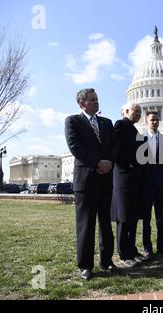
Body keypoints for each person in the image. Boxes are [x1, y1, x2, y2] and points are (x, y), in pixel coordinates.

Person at [65, 88, 117, 280]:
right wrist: (98, 162)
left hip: (105, 178)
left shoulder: (107, 122)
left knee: (105, 223)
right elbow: (75, 147)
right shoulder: (73, 121)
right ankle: (85, 265)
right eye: (93, 100)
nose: (97, 102)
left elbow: (114, 146)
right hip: (86, 181)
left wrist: (109, 162)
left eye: (97, 99)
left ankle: (107, 261)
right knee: (86, 225)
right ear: (82, 103)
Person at [110, 103, 149, 268]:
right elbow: (116, 149)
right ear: (126, 112)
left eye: (140, 112)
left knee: (133, 216)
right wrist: (129, 165)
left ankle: (132, 250)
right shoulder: (120, 125)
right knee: (124, 217)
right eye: (136, 111)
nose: (138, 114)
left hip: (134, 179)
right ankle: (123, 253)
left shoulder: (134, 130)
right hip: (124, 177)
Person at [142, 111, 163, 257]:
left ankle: (161, 246)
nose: (154, 122)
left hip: (161, 183)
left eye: (156, 120)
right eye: (152, 120)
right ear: (147, 121)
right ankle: (147, 248)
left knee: (160, 218)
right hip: (147, 184)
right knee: (146, 218)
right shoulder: (141, 139)